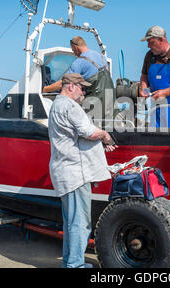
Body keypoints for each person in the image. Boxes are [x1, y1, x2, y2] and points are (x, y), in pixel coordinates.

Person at [48, 73, 116, 268]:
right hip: (75, 174)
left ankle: (70, 263)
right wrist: (104, 135)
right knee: (79, 223)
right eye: (82, 88)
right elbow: (89, 132)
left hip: (64, 171)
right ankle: (75, 265)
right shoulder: (70, 106)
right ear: (70, 86)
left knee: (70, 223)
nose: (84, 92)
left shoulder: (57, 105)